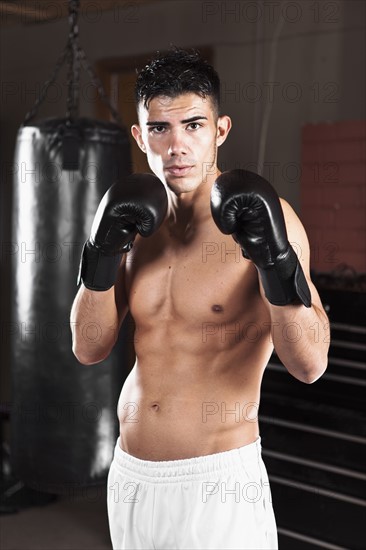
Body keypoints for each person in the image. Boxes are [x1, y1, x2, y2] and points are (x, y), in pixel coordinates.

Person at [70, 47, 329, 550]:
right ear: (140, 136)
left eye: (193, 125)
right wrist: (100, 256)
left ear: (221, 130)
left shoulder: (268, 218)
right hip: (130, 477)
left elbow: (310, 364)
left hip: (216, 485)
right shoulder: (129, 224)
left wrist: (274, 260)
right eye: (160, 129)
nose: (177, 146)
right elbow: (88, 348)